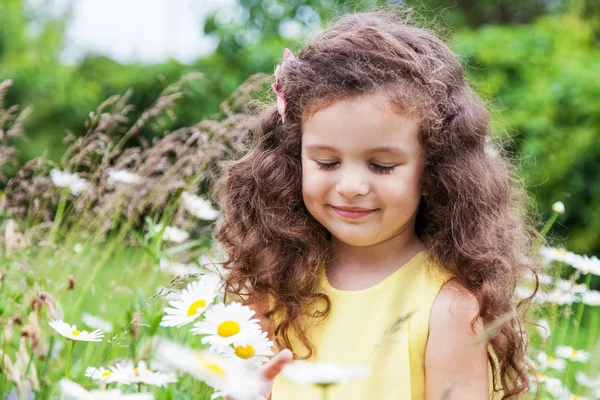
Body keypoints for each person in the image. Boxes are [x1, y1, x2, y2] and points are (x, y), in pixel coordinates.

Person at [212, 7, 542, 400]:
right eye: (327, 162)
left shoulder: (449, 309)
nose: (350, 186)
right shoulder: (274, 287)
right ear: (293, 157)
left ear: (433, 169)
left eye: (382, 166)